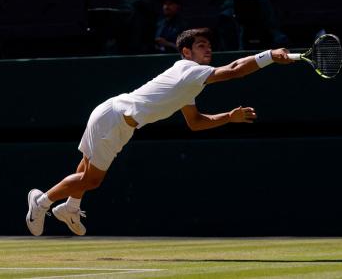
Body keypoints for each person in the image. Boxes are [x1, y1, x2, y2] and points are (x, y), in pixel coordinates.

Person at [25, 28, 293, 236]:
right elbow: (234, 71)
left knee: (85, 169)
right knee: (91, 179)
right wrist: (268, 56)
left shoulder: (190, 82)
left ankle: (70, 208)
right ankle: (41, 202)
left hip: (113, 115)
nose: (208, 49)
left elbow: (195, 122)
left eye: (209, 45)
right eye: (201, 45)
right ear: (186, 52)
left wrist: (229, 117)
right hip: (115, 119)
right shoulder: (189, 70)